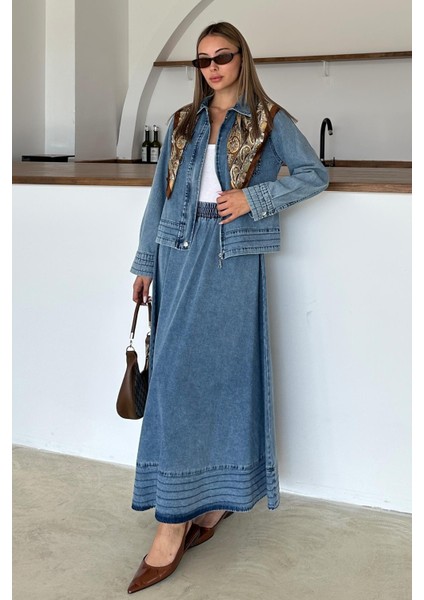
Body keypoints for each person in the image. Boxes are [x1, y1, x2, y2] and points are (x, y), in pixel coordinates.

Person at [127, 21, 329, 594]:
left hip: (230, 261)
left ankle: (198, 512)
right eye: (203, 60)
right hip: (176, 253)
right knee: (173, 381)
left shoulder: (268, 120)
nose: (212, 68)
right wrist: (144, 264)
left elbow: (315, 175)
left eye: (222, 56)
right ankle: (178, 512)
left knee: (221, 380)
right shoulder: (182, 122)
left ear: (242, 57)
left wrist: (253, 197)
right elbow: (159, 198)